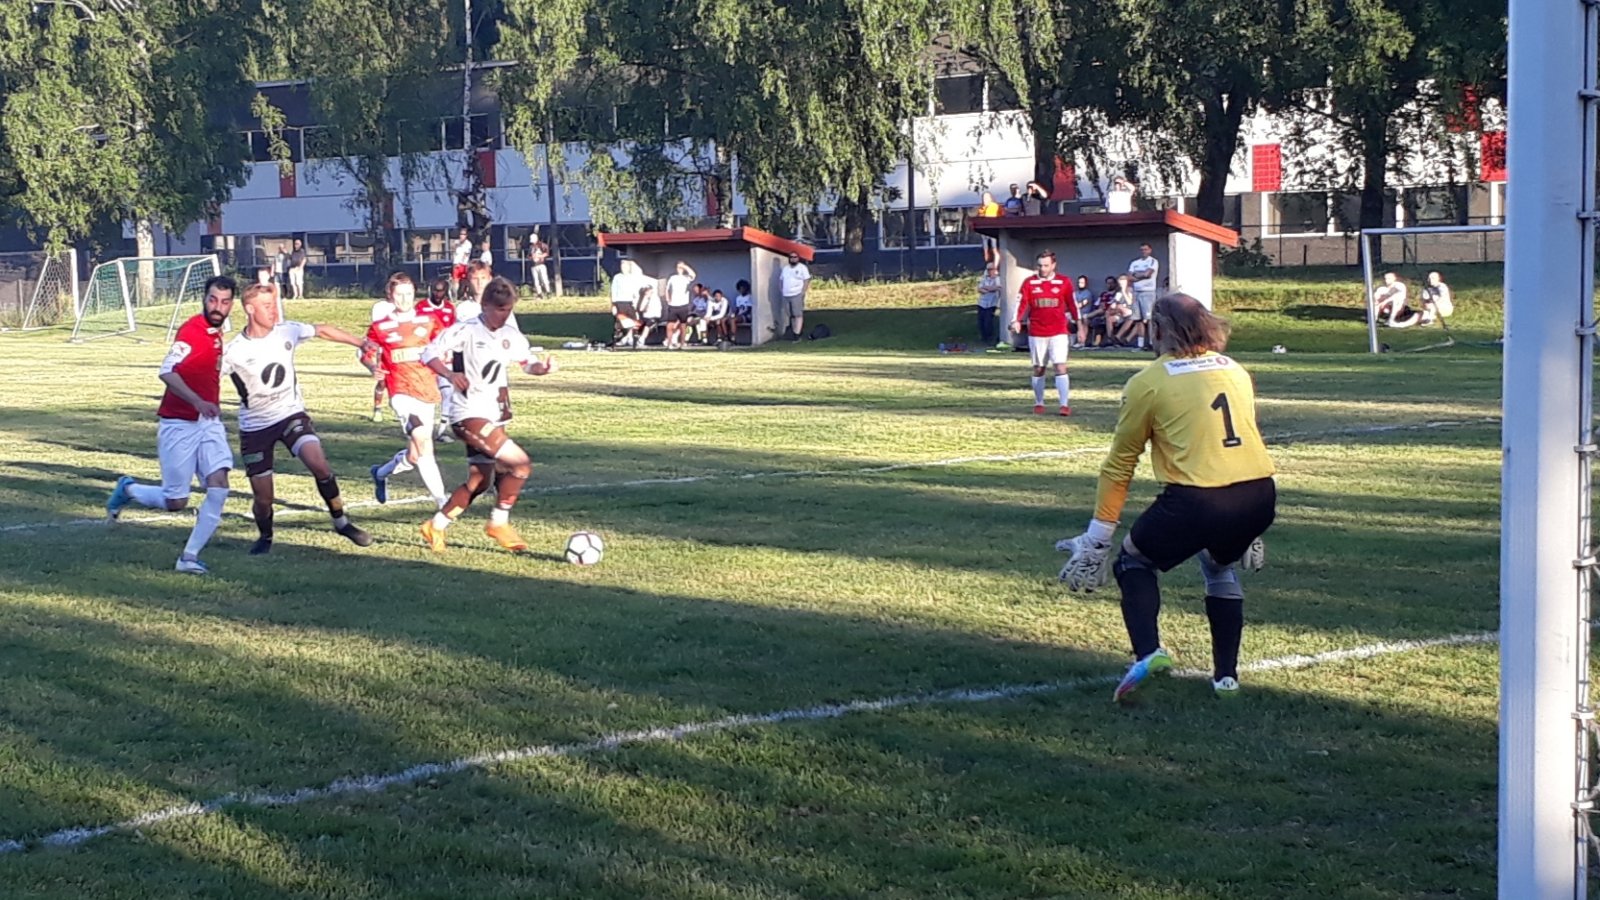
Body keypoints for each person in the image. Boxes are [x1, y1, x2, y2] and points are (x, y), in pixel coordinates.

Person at [1057, 293, 1276, 702]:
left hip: (1199, 499)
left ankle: (1149, 652)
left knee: (1133, 561)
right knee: (1218, 565)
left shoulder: (1149, 382)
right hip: (1259, 495)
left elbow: (1120, 464)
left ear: (1157, 330)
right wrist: (1248, 526)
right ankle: (1226, 678)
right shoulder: (1234, 369)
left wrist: (1098, 537)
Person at [221, 282, 376, 555]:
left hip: (290, 414)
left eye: (274, 305)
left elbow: (322, 329)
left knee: (320, 465)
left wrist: (361, 342)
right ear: (249, 309)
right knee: (263, 498)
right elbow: (207, 377)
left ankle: (341, 522)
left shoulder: (287, 331)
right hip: (256, 428)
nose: (273, 311)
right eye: (266, 306)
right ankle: (265, 536)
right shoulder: (234, 351)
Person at [105, 275, 239, 575]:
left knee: (219, 486)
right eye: (213, 300)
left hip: (208, 422)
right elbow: (166, 371)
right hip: (179, 423)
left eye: (225, 301)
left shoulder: (217, 333)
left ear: (232, 304)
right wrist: (197, 401)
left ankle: (188, 557)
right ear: (204, 299)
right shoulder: (191, 331)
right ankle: (129, 489)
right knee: (176, 500)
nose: (218, 307)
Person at [420, 276, 559, 553]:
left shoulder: (511, 335)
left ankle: (435, 525)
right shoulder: (466, 330)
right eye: (499, 309)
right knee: (520, 464)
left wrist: (541, 369)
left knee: (480, 481)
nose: (504, 315)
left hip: (494, 414)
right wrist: (450, 374)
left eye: (508, 309)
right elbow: (428, 353)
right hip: (468, 414)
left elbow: (527, 363)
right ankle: (498, 522)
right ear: (485, 306)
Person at [365, 273, 449, 510]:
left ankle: (380, 473)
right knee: (423, 441)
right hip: (400, 392)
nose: (405, 299)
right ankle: (443, 503)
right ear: (390, 296)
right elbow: (365, 352)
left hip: (427, 390)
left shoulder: (429, 321)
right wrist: (372, 367)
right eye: (399, 294)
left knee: (414, 456)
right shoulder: (380, 327)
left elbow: (444, 345)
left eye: (409, 294)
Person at [1007, 249, 1076, 416]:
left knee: (1060, 365)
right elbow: (1021, 302)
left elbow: (1072, 304)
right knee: (1039, 368)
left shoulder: (1064, 282)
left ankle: (1064, 405)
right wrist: (1016, 320)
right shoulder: (1029, 283)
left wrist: (1079, 324)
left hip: (1059, 331)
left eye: (1046, 265)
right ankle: (1039, 402)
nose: (1043, 269)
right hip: (1037, 332)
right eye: (1040, 266)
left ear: (1053, 265)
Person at [417, 276, 459, 443]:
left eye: (441, 291)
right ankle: (420, 428)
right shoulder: (421, 307)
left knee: (447, 392)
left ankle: (442, 430)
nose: (437, 294)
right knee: (424, 394)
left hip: (444, 356)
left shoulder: (449, 308)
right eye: (435, 290)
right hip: (425, 355)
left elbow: (453, 332)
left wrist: (449, 350)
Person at [1123, 243, 1159, 350]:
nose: (1144, 251)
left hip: (1148, 292)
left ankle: (1152, 343)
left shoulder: (1153, 261)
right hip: (1136, 292)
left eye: (1146, 249)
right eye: (1142, 250)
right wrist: (1141, 275)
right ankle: (1140, 344)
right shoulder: (1135, 263)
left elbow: (1148, 274)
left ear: (1150, 250)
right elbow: (1129, 277)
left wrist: (1137, 275)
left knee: (1149, 318)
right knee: (1138, 319)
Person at [779, 251, 811, 341]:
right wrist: (781, 290)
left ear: (798, 258)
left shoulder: (802, 268)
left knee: (797, 314)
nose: (793, 259)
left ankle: (798, 334)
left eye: (795, 257)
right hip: (786, 295)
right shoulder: (785, 268)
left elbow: (806, 280)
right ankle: (794, 333)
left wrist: (802, 292)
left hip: (797, 294)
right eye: (791, 257)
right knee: (791, 315)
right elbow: (781, 280)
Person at [663, 261, 696, 349]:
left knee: (683, 325)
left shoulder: (686, 278)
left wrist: (685, 266)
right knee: (670, 325)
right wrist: (667, 299)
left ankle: (682, 344)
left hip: (683, 305)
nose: (679, 269)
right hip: (673, 305)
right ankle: (669, 344)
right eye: (678, 267)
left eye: (681, 268)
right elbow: (667, 289)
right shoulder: (672, 278)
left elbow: (693, 275)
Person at [976, 262, 1002, 346]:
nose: (989, 271)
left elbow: (997, 288)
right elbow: (979, 289)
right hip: (982, 303)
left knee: (988, 321)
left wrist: (986, 288)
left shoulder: (997, 279)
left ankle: (990, 338)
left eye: (991, 269)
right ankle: (983, 338)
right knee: (981, 321)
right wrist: (987, 289)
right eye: (988, 269)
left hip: (991, 303)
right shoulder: (984, 279)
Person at [1071, 275, 1097, 348]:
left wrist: (1074, 307)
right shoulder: (1075, 293)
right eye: (1079, 282)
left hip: (1086, 314)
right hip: (1075, 313)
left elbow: (1082, 304)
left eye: (1082, 283)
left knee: (1083, 320)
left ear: (1086, 283)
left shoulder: (1088, 293)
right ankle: (1071, 341)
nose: (1080, 284)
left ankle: (1081, 342)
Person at [978, 191, 1002, 262]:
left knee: (994, 248)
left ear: (990, 198)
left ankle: (996, 265)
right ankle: (987, 263)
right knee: (985, 250)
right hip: (984, 231)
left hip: (993, 230)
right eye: (983, 198)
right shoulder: (981, 208)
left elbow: (1001, 216)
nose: (984, 200)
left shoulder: (995, 206)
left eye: (986, 198)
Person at [450, 228, 473, 300]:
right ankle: (455, 296)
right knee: (455, 280)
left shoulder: (468, 244)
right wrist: (455, 245)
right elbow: (452, 249)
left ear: (466, 235)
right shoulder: (457, 242)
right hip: (456, 263)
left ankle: (465, 294)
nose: (462, 236)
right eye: (461, 234)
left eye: (463, 234)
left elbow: (466, 254)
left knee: (464, 280)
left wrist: (461, 262)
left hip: (463, 264)